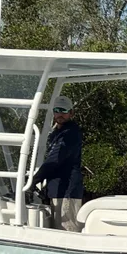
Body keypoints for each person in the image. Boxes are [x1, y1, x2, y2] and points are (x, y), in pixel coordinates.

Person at [31, 96, 84, 232]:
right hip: (57, 190)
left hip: (67, 192)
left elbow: (54, 160)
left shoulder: (70, 134)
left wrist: (34, 180)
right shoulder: (57, 133)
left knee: (67, 232)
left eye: (64, 110)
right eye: (57, 110)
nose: (60, 114)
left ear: (71, 113)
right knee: (57, 230)